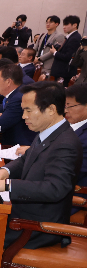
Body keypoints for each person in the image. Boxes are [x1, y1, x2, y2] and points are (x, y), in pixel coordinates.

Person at [0, 81, 82, 268]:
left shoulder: (65, 143)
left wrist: (7, 186)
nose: (23, 116)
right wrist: (3, 171)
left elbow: (56, 188)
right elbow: (26, 159)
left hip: (38, 224)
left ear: (51, 110)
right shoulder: (49, 130)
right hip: (28, 209)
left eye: (28, 110)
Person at [0, 64, 36, 146]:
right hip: (8, 139)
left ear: (8, 82)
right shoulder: (12, 95)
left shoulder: (18, 98)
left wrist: (0, 117)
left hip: (17, 146)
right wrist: (0, 116)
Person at [64, 84, 87, 214]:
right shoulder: (72, 124)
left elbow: (71, 171)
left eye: (70, 106)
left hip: (71, 196)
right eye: (65, 106)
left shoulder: (84, 138)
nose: (66, 111)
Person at [50, 15, 81, 85]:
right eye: (64, 25)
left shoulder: (75, 38)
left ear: (75, 25)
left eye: (66, 24)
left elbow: (68, 57)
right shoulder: (71, 37)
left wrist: (55, 52)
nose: (64, 27)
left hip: (65, 73)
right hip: (62, 72)